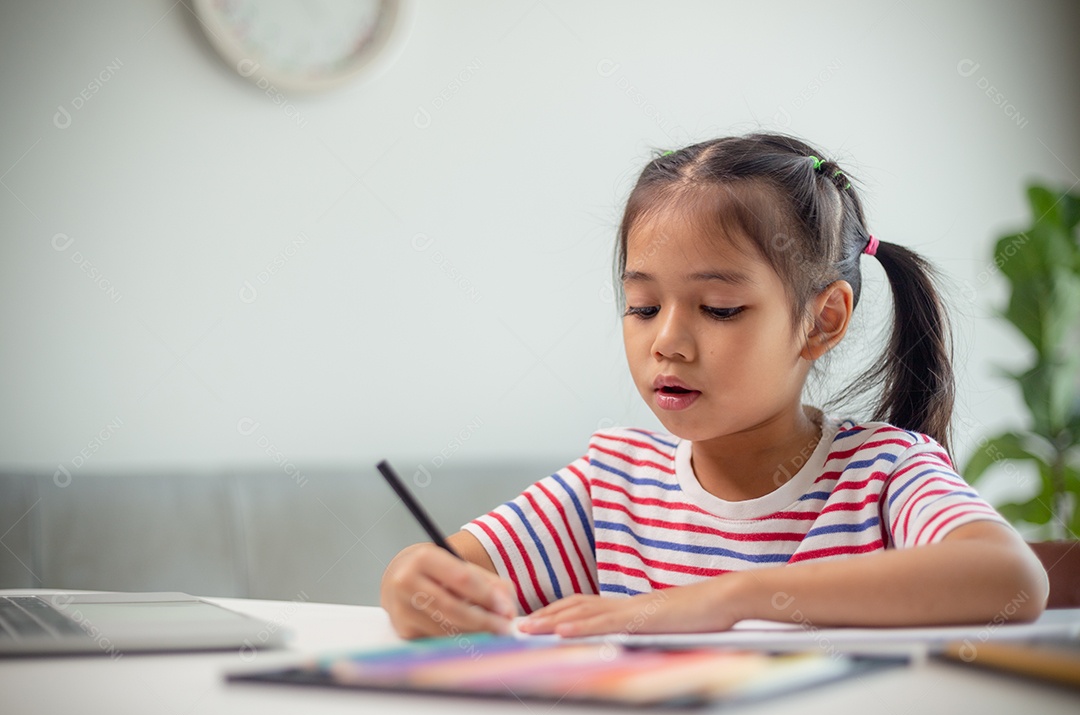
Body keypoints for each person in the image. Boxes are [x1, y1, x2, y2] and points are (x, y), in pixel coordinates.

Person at [380, 133, 1049, 639]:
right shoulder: (611, 484)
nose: (666, 341)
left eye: (719, 308)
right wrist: (412, 583)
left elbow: (1012, 579)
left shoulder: (881, 475)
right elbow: (447, 572)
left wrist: (724, 599)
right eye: (642, 307)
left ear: (823, 320)